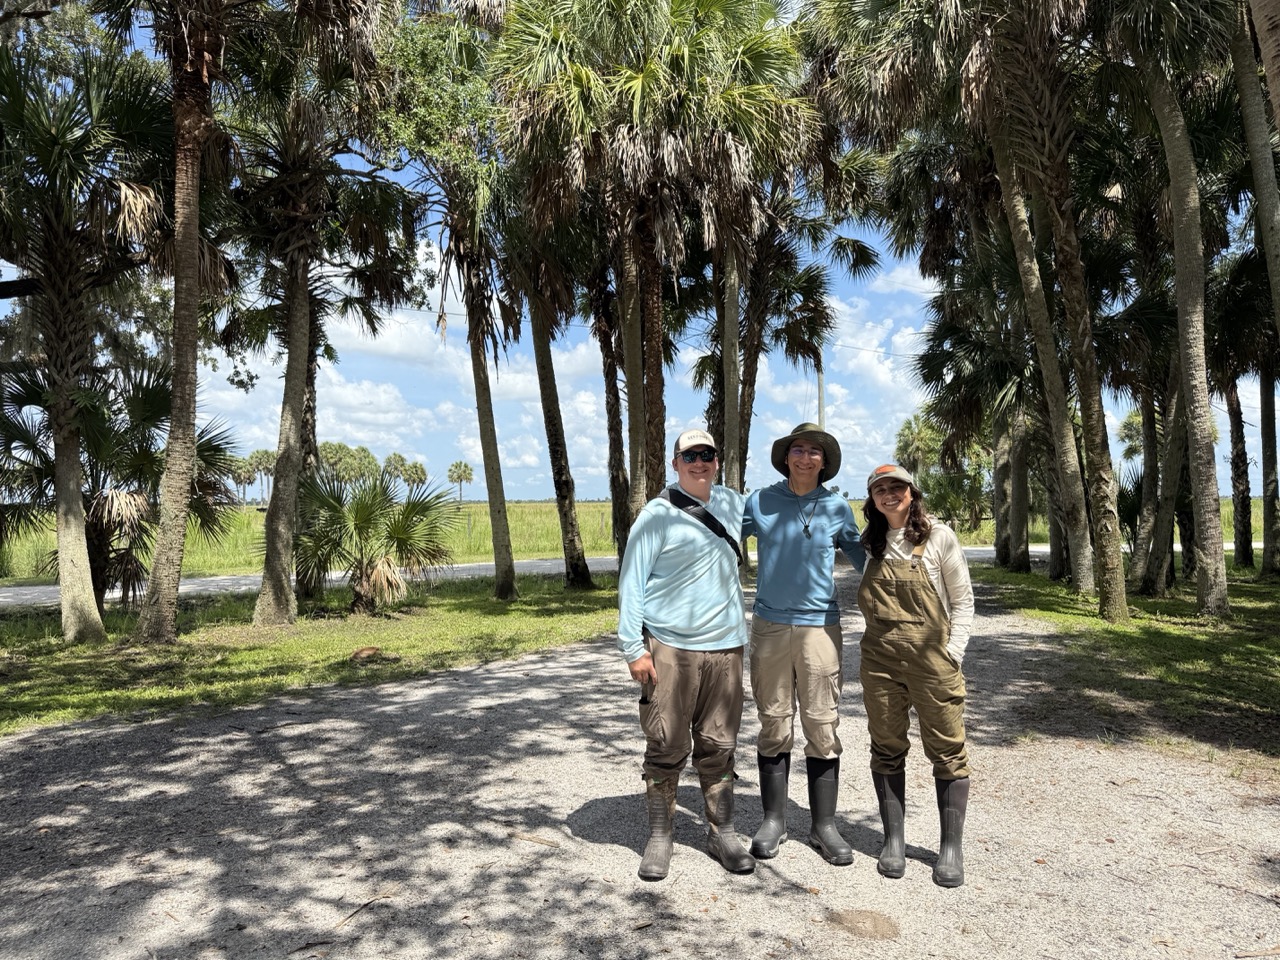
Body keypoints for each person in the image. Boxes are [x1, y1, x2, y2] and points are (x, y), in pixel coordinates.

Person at [617, 427, 755, 881]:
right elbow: (631, 583)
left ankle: (722, 831)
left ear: (718, 460)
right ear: (674, 464)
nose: (700, 462)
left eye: (707, 454)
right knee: (665, 743)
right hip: (671, 647)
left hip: (727, 646)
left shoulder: (735, 503)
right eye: (690, 455)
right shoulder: (656, 516)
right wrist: (634, 649)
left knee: (719, 744)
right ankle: (660, 835)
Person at [740, 423, 865, 865]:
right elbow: (717, 536)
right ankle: (774, 819)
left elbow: (864, 558)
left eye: (814, 451)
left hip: (821, 629)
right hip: (770, 627)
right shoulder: (759, 501)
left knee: (822, 724)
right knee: (773, 721)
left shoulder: (837, 507)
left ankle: (823, 826)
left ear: (824, 462)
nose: (805, 457)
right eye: (798, 449)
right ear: (786, 457)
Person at [857, 463, 974, 887]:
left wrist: (953, 654)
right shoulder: (870, 543)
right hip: (880, 662)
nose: (889, 494)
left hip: (932, 662)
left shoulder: (938, 537)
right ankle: (893, 840)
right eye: (880, 489)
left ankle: (950, 848)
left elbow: (963, 602)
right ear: (872, 499)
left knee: (946, 748)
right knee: (886, 746)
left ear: (912, 492)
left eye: (897, 488)